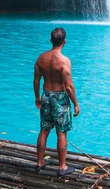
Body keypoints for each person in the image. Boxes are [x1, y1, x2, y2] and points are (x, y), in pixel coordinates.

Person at [33, 27, 80, 176]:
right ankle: (62, 167)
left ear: (51, 41)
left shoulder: (41, 58)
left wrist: (38, 97)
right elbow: (69, 86)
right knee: (61, 133)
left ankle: (40, 163)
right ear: (64, 42)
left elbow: (36, 81)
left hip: (46, 96)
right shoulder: (64, 61)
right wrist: (76, 104)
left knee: (44, 130)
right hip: (60, 99)